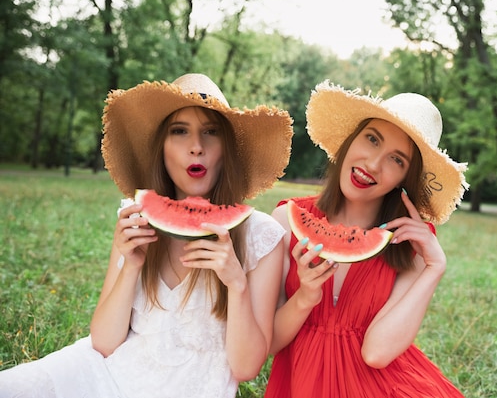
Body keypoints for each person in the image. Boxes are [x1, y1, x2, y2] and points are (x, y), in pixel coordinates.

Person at [0, 73, 294, 398]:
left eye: (211, 132)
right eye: (179, 131)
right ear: (162, 147)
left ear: (227, 148)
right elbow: (104, 343)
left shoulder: (261, 235)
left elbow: (245, 368)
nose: (196, 147)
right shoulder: (137, 216)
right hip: (104, 376)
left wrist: (236, 284)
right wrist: (131, 266)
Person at [264, 80, 468, 398]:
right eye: (372, 139)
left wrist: (434, 268)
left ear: (406, 178)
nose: (373, 164)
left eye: (396, 160)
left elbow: (377, 353)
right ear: (351, 139)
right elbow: (270, 342)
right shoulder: (286, 221)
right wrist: (304, 297)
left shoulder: (412, 245)